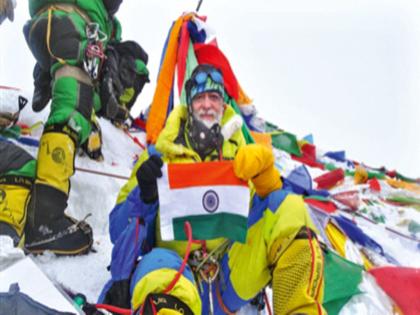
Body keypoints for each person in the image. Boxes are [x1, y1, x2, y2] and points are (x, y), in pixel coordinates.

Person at [100, 64, 326, 315]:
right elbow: (117, 230)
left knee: (291, 209)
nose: (207, 105)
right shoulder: (158, 157)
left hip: (226, 280)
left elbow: (269, 222)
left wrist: (266, 179)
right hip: (172, 273)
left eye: (214, 97)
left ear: (223, 105)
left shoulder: (242, 157)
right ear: (189, 104)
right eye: (200, 98)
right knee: (157, 266)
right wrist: (143, 196)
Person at [22, 0, 149, 255]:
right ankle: (45, 219)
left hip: (50, 27)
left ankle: (46, 214)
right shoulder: (95, 17)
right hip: (69, 25)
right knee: (71, 110)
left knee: (80, 104)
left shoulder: (103, 23)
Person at [0, 92, 35, 248]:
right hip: (20, 170)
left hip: (18, 171)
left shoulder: (14, 141)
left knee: (6, 222)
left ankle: (5, 242)